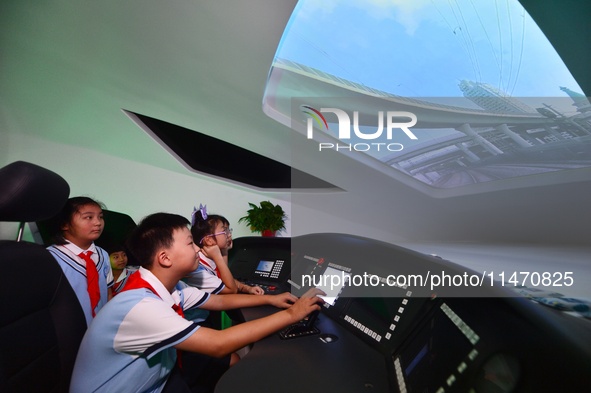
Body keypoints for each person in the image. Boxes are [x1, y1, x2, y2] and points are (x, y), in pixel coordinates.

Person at [69, 212, 323, 393]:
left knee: (231, 365)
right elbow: (217, 344)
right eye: (190, 243)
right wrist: (292, 315)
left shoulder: (169, 288)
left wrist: (272, 298)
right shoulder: (140, 307)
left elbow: (219, 303)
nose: (197, 249)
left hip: (158, 378)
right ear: (165, 258)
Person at [46, 196, 114, 326]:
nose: (98, 223)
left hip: (99, 327)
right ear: (64, 224)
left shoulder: (103, 255)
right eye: (89, 217)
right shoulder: (50, 258)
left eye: (100, 217)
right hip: (67, 330)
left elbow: (108, 292)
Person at [186, 204, 263, 297]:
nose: (229, 235)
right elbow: (231, 290)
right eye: (225, 231)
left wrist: (246, 288)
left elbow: (223, 279)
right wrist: (218, 256)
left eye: (229, 230)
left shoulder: (208, 258)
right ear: (209, 240)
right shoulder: (198, 268)